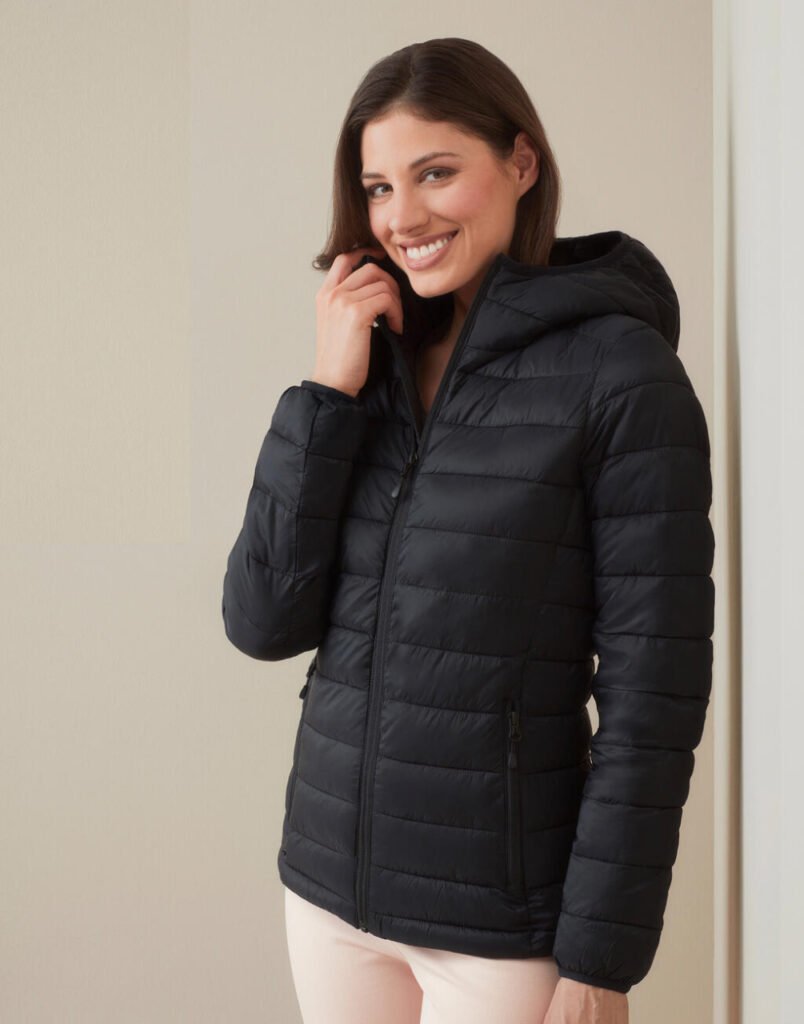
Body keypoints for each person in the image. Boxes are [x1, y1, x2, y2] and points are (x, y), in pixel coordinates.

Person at [221, 37, 715, 1024]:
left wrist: (602, 958)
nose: (402, 216)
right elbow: (262, 620)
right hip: (328, 891)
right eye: (378, 187)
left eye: (436, 172)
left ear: (520, 163)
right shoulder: (372, 363)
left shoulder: (622, 376)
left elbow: (654, 694)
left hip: (500, 926)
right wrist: (326, 390)